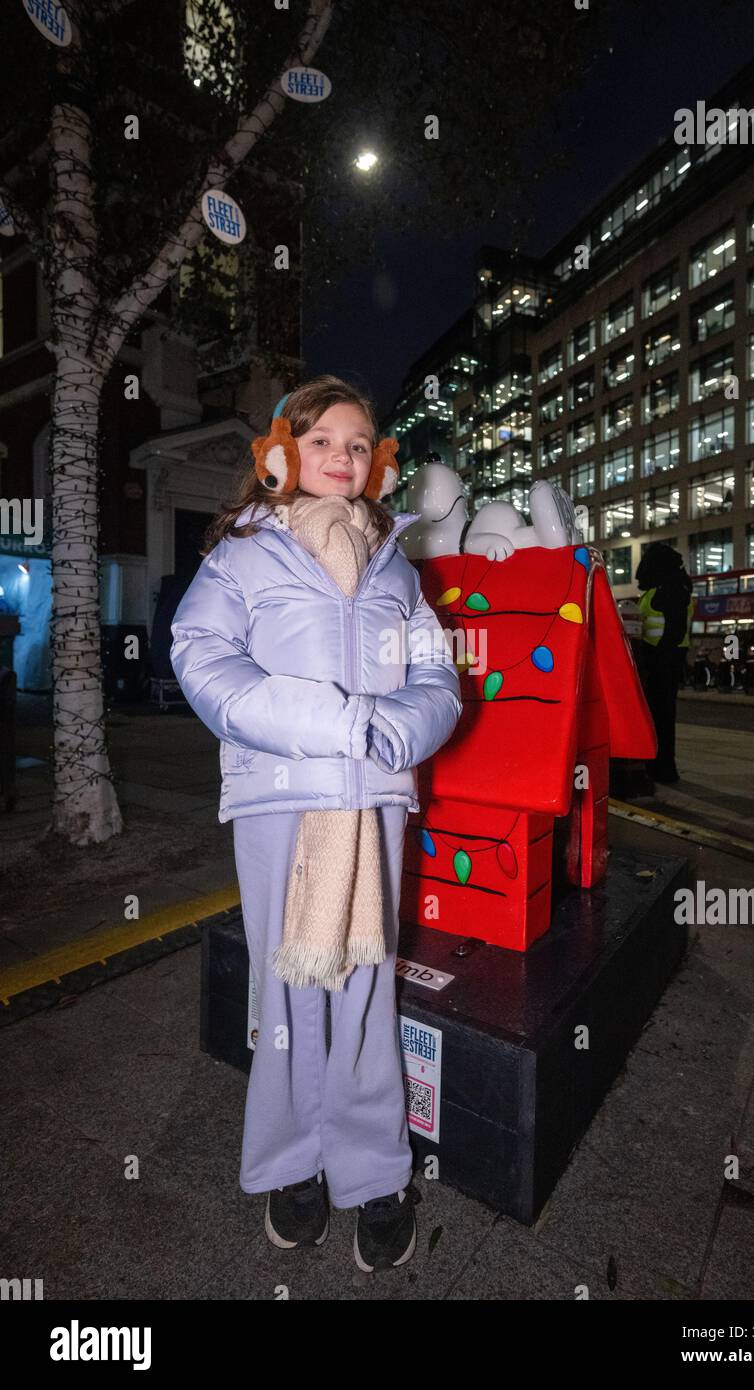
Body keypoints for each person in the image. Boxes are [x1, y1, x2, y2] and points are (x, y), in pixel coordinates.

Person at [169, 375, 462, 1273]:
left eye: (356, 443)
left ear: (377, 463)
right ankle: (294, 1164)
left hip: (374, 798)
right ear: (283, 452)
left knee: (367, 986)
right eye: (322, 439)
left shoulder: (397, 568)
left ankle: (374, 1173)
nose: (340, 456)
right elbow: (199, 655)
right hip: (280, 801)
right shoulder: (243, 554)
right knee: (290, 990)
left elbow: (437, 680)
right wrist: (322, 720)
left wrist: (393, 730)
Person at [635, 541, 694, 784]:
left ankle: (662, 767)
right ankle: (658, 765)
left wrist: (654, 658)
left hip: (662, 660)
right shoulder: (669, 586)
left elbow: (674, 630)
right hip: (662, 659)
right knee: (660, 715)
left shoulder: (671, 589)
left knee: (662, 715)